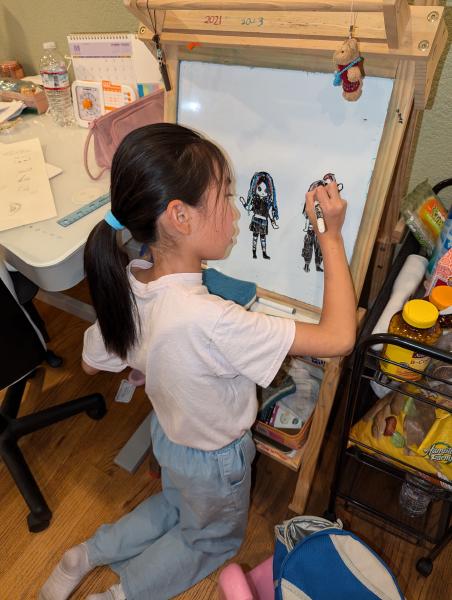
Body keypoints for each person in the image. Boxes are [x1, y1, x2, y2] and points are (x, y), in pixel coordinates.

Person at [40, 123, 356, 600]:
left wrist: (151, 361)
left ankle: (85, 554)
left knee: (174, 504)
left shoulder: (128, 285)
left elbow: (90, 361)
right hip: (215, 460)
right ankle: (121, 594)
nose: (235, 210)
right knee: (209, 539)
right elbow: (339, 336)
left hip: (169, 439)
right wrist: (330, 236)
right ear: (180, 217)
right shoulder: (215, 322)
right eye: (226, 196)